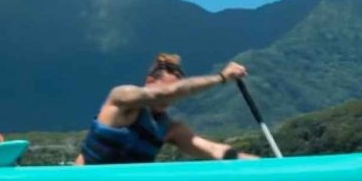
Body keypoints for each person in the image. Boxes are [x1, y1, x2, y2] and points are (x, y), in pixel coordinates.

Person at [75, 53, 258, 165]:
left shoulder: (169, 128)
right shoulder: (121, 98)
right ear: (150, 81)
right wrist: (222, 77)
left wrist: (259, 164)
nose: (171, 99)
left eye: (176, 96)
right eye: (169, 90)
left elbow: (214, 150)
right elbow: (167, 93)